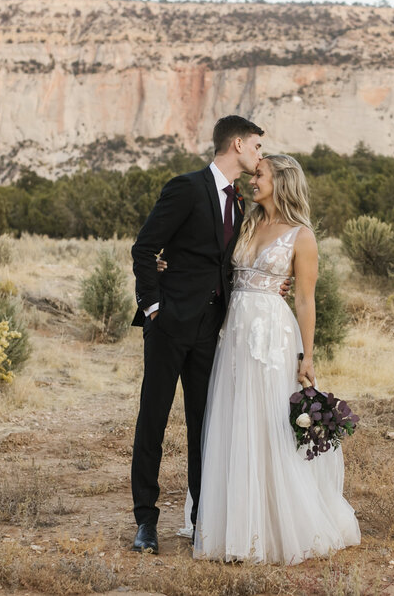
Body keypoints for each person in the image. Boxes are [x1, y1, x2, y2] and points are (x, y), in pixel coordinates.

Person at [192, 154, 361, 565]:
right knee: (235, 417)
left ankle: (275, 522)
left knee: (269, 419)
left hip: (272, 334)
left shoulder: (301, 236)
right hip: (234, 332)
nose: (252, 179)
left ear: (281, 180)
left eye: (260, 174)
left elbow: (305, 299)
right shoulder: (245, 222)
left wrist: (307, 355)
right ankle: (235, 523)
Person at [128, 115, 265, 554]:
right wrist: (152, 308)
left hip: (211, 332)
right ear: (238, 144)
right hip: (168, 327)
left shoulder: (239, 203)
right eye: (258, 147)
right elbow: (145, 247)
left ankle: (201, 518)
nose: (260, 155)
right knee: (153, 421)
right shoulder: (186, 187)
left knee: (205, 428)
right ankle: (146, 522)